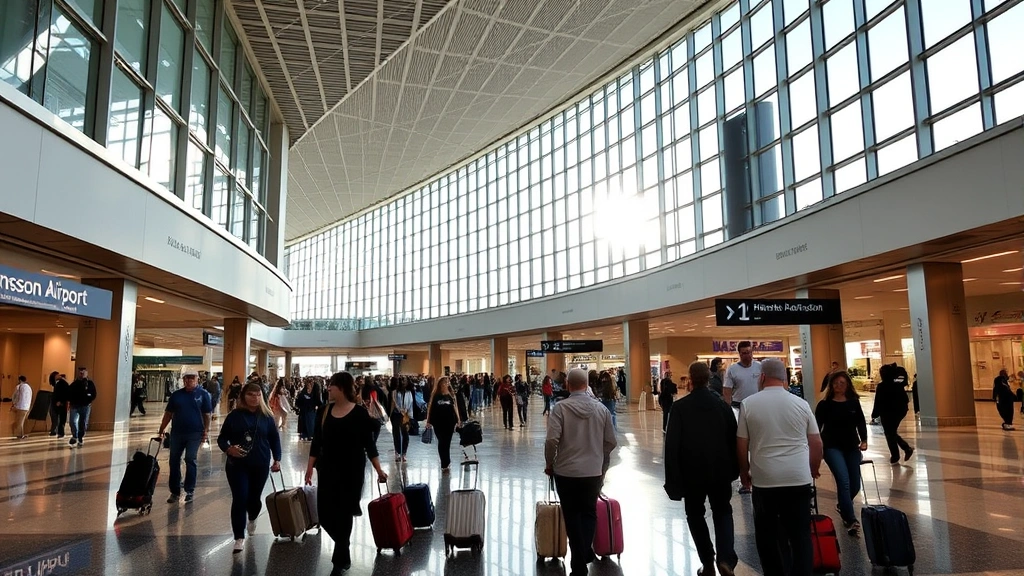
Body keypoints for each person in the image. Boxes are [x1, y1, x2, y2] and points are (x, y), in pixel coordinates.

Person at [737, 358, 822, 576]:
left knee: (767, 536)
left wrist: (744, 473)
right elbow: (816, 442)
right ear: (784, 378)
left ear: (762, 377)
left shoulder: (749, 404)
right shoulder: (801, 404)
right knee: (800, 535)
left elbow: (741, 444)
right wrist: (812, 469)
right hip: (798, 478)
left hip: (765, 480)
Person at [305, 372, 388, 575]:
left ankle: (340, 558)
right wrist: (309, 467)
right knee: (324, 515)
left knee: (343, 513)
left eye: (331, 385)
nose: (328, 389)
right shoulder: (324, 411)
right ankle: (343, 545)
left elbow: (369, 445)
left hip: (352, 471)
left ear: (341, 387)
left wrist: (379, 469)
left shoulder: (359, 413)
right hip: (327, 469)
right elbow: (317, 442)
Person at [664, 362, 738, 576]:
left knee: (695, 514)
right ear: (709, 379)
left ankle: (707, 561)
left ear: (690, 379)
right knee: (723, 511)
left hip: (692, 472)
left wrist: (673, 481)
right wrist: (736, 469)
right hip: (720, 470)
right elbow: (733, 438)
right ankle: (725, 558)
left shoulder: (680, 408)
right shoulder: (722, 406)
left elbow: (672, 446)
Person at [544, 368, 617, 576]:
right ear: (587, 385)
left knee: (572, 514)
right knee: (589, 513)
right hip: (592, 472)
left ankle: (578, 560)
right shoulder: (601, 409)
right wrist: (599, 459)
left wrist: (550, 463)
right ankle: (582, 555)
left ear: (568, 385)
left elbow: (551, 440)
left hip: (566, 471)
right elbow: (611, 441)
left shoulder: (561, 408)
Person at [217, 383, 282, 553]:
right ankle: (239, 536)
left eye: (258, 395)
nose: (255, 398)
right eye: (251, 394)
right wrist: (229, 448)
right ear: (244, 396)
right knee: (240, 498)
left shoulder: (267, 417)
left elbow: (274, 439)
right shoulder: (234, 416)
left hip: (260, 464)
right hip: (237, 465)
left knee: (253, 499)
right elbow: (222, 439)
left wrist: (277, 459)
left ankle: (252, 517)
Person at [814, 371, 868, 536]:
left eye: (842, 383)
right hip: (831, 447)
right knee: (843, 481)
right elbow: (816, 427)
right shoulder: (825, 405)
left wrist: (864, 440)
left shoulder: (853, 403)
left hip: (851, 446)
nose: (839, 386)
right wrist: (817, 447)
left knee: (854, 485)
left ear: (847, 385)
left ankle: (843, 505)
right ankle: (850, 518)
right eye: (836, 383)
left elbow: (860, 422)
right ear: (831, 385)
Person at [158, 369, 213, 504]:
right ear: (183, 380)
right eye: (186, 378)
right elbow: (168, 414)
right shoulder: (176, 395)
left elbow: (207, 414)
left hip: (195, 433)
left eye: (192, 378)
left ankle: (189, 489)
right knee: (174, 460)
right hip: (177, 433)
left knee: (190, 458)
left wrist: (206, 430)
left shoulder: (203, 394)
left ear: (197, 379)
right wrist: (161, 428)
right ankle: (175, 491)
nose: (189, 380)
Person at [871, 363, 915, 463]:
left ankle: (898, 454)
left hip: (887, 413)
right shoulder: (898, 385)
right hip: (900, 410)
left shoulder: (882, 386)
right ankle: (900, 452)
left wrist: (874, 414)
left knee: (890, 433)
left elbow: (878, 401)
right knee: (891, 432)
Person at [425, 376, 461, 473]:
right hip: (438, 422)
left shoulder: (451, 396)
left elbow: (455, 408)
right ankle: (444, 463)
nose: (447, 384)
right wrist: (428, 421)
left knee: (447, 443)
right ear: (440, 384)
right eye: (445, 382)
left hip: (449, 422)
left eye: (448, 382)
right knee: (441, 442)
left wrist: (458, 420)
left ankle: (447, 461)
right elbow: (431, 408)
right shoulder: (436, 396)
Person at [724, 341, 762, 410]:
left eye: (750, 352)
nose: (748, 355)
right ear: (740, 354)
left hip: (757, 403)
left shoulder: (759, 366)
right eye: (745, 353)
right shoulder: (732, 369)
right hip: (738, 405)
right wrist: (727, 408)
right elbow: (727, 390)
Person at [68, 367, 97, 447]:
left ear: (86, 373)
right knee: (72, 421)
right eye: (80, 373)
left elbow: (93, 394)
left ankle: (80, 437)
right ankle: (75, 436)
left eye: (83, 373)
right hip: (75, 405)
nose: (81, 374)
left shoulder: (90, 383)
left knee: (83, 423)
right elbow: (69, 393)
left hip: (85, 406)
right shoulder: (74, 384)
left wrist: (89, 399)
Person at [390, 378, 414, 462]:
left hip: (406, 415)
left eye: (405, 381)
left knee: (405, 434)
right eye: (402, 381)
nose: (403, 382)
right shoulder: (394, 392)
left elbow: (411, 404)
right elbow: (393, 402)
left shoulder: (409, 393)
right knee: (396, 434)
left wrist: (410, 416)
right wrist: (399, 410)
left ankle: (404, 453)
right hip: (396, 414)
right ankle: (397, 452)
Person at [48, 371, 68, 436]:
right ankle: (55, 430)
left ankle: (60, 432)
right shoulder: (55, 384)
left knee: (62, 417)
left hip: (61, 403)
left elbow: (65, 392)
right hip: (55, 402)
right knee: (55, 416)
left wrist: (61, 401)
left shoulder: (62, 383)